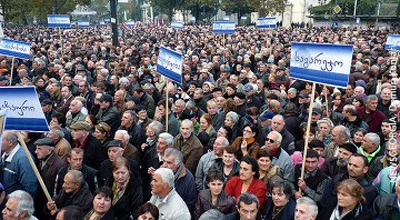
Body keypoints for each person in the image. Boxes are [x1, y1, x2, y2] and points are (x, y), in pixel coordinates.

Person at [33, 138, 66, 219]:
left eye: (39, 149)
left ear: (49, 151)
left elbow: (59, 189)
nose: (36, 151)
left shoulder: (59, 166)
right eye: (36, 148)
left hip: (49, 205)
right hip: (40, 201)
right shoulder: (39, 159)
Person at [1, 131, 38, 198]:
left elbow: (30, 186)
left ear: (10, 143)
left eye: (1, 140)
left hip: (14, 203)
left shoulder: (24, 159)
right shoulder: (5, 153)